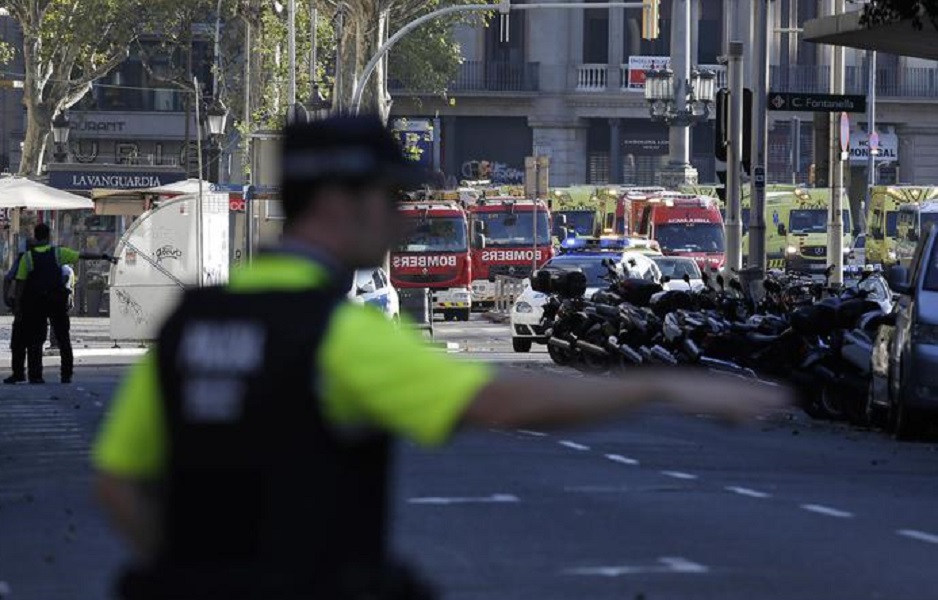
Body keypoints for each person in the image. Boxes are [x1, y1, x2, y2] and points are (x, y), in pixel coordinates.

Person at [92, 115, 792, 600]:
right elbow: (499, 402)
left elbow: (119, 481)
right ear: (342, 202)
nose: (404, 219)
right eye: (392, 198)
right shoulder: (339, 334)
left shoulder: (191, 323)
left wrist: (200, 575)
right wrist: (663, 389)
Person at [14, 223, 115, 384]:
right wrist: (103, 256)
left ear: (36, 236)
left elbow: (20, 284)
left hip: (36, 303)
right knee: (63, 339)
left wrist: (18, 307)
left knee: (36, 340)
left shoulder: (27, 258)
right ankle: (66, 374)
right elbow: (83, 255)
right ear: (48, 237)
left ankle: (35, 375)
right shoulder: (58, 253)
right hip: (56, 301)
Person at [4, 238, 40, 384]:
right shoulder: (46, 257)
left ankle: (20, 373)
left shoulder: (23, 258)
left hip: (24, 306)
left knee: (20, 342)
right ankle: (35, 374)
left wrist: (7, 298)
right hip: (38, 306)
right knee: (34, 342)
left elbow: (9, 279)